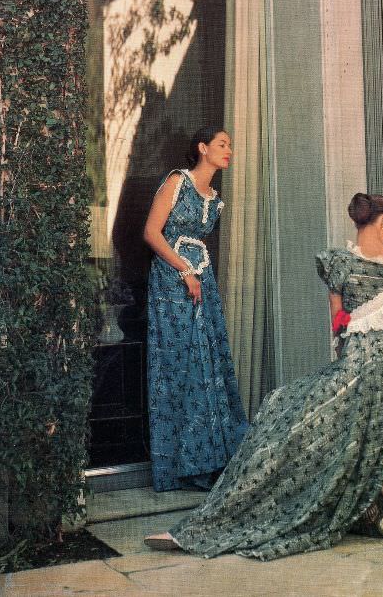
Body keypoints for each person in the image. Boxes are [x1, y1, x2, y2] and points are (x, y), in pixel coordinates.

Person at [145, 192, 383, 559]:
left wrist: (348, 338)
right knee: (280, 406)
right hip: (362, 367)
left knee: (294, 421)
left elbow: (339, 324)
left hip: (375, 373)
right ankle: (223, 514)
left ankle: (226, 515)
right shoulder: (349, 261)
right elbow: (340, 325)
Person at [144, 127, 248, 492]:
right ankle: (177, 467)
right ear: (203, 149)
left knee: (208, 363)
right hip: (172, 282)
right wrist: (185, 270)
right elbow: (152, 233)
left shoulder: (216, 199)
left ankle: (209, 463)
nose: (229, 150)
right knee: (178, 364)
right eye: (223, 144)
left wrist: (197, 274)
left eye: (230, 145)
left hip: (202, 282)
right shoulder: (177, 181)